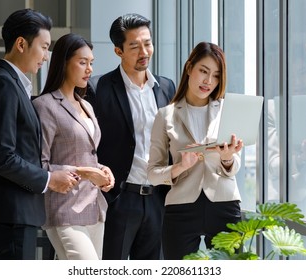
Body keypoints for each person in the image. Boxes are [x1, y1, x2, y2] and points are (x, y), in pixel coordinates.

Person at [0, 9, 78, 260]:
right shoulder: (3, 84)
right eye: (43, 47)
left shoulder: (14, 86)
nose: (46, 56)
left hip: (15, 216)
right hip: (10, 217)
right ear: (21, 44)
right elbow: (3, 157)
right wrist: (49, 179)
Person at [85, 13, 176, 260]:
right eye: (134, 46)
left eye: (147, 43)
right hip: (119, 199)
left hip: (158, 199)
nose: (144, 51)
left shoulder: (166, 87)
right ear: (118, 51)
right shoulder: (98, 88)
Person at [147, 42, 243, 260]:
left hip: (224, 204)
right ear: (189, 68)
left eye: (216, 75)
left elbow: (234, 166)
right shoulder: (165, 116)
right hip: (181, 208)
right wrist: (181, 166)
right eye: (204, 71)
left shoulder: (226, 111)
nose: (209, 81)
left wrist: (227, 159)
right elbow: (152, 173)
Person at [32, 33, 115, 260]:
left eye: (91, 63)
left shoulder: (86, 105)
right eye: (82, 62)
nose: (89, 69)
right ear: (64, 62)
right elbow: (41, 164)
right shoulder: (45, 105)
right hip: (64, 209)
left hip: (94, 208)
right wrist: (87, 173)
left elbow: (84, 152)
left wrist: (102, 169)